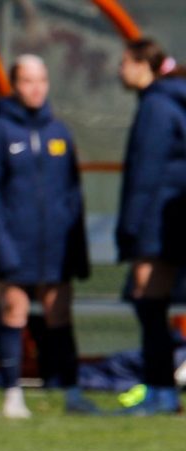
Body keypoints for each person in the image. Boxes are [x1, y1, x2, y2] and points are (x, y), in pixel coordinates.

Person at [0, 55, 97, 418]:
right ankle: (12, 394)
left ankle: (72, 392)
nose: (36, 88)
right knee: (14, 312)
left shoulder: (59, 133)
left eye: (42, 80)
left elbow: (72, 195)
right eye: (28, 81)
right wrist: (1, 246)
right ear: (15, 85)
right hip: (16, 241)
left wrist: (77, 250)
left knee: (59, 313)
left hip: (55, 245)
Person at [116, 38, 186, 415]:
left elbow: (147, 171)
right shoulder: (169, 99)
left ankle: (161, 387)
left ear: (143, 64)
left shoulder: (157, 106)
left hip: (159, 220)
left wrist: (129, 226)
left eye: (125, 62)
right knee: (151, 300)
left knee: (147, 298)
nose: (120, 70)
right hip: (170, 217)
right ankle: (162, 386)